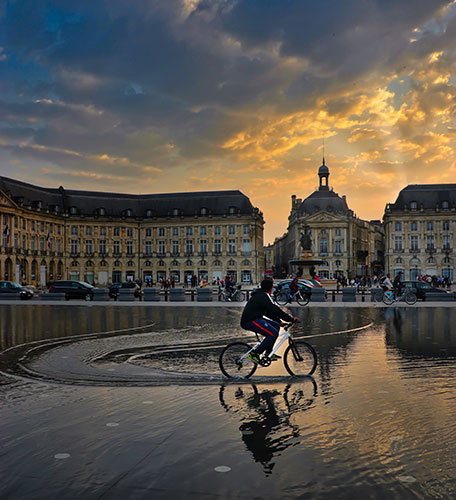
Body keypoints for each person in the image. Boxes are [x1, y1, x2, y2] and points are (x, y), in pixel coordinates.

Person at [240, 278, 298, 363]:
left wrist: (279, 321)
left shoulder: (262, 295)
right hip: (249, 321)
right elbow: (274, 309)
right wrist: (291, 319)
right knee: (272, 333)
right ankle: (254, 353)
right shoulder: (264, 296)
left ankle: (268, 353)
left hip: (256, 318)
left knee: (276, 325)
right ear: (270, 288)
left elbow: (268, 312)